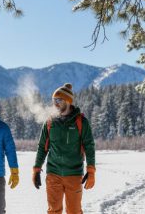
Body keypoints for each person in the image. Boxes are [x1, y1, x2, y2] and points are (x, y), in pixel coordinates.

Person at [33, 83, 96, 214]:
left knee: (74, 211)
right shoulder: (50, 122)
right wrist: (36, 169)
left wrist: (91, 170)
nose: (55, 103)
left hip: (73, 174)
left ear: (68, 100)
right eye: (54, 100)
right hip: (53, 174)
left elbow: (89, 147)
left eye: (58, 100)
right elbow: (42, 147)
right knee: (53, 211)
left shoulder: (81, 122)